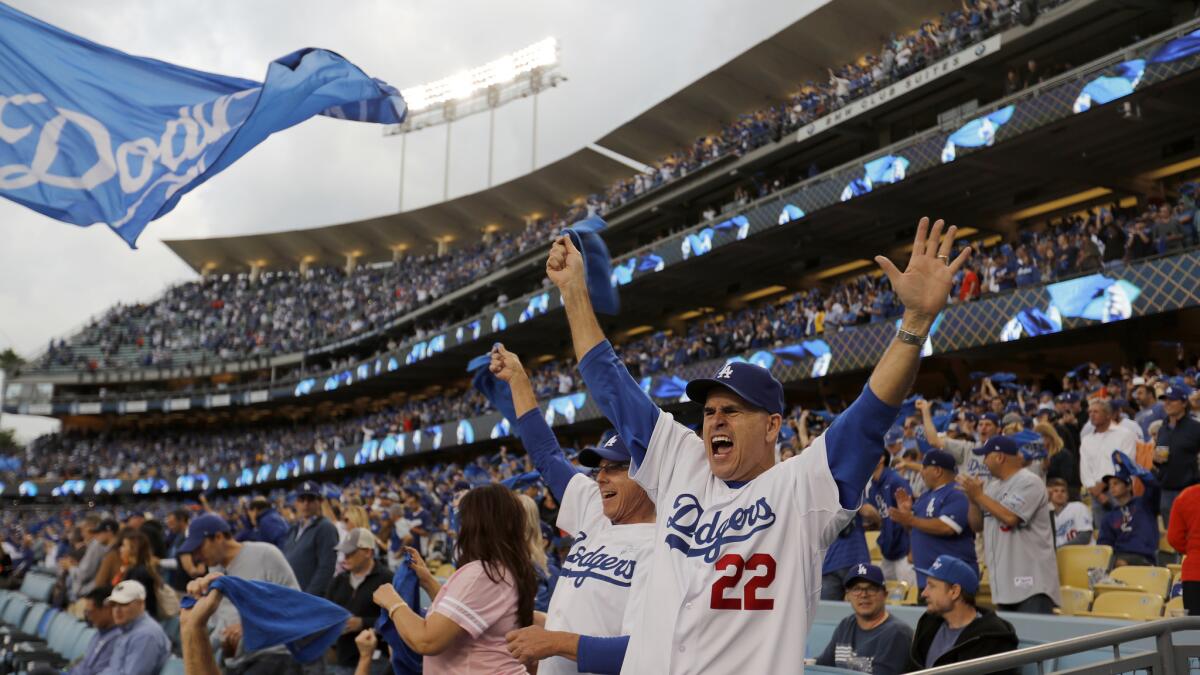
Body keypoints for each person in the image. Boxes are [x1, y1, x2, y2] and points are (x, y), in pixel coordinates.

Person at [547, 217, 970, 671]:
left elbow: (871, 415)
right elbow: (611, 383)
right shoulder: (681, 463)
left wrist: (915, 322)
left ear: (772, 426)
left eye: (733, 410)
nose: (715, 421)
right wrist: (573, 291)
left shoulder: (801, 488)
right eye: (709, 412)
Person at [488, 342, 656, 675]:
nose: (602, 478)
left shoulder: (664, 545)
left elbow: (646, 651)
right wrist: (519, 381)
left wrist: (554, 642)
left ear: (648, 474)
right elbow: (547, 457)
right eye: (599, 469)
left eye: (616, 468)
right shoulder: (595, 508)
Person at [372, 484, 535, 674]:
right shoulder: (501, 569)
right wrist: (427, 581)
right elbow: (462, 616)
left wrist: (393, 602)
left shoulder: (483, 574)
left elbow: (427, 640)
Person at [179, 512, 301, 673]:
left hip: (275, 654)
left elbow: (295, 607)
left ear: (219, 537)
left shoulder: (265, 554)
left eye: (199, 548)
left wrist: (250, 627)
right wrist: (225, 644)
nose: (197, 556)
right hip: (238, 660)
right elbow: (221, 621)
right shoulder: (214, 568)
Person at [960, 436, 1060, 613]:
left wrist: (979, 496)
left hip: (1032, 585)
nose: (983, 461)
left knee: (1035, 639)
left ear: (999, 457)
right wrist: (973, 500)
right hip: (1004, 585)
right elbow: (976, 526)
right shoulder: (992, 487)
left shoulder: (1029, 481)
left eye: (986, 456)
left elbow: (1010, 517)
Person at [909, 555, 1018, 673]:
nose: (924, 593)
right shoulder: (928, 624)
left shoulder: (992, 639)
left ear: (955, 591)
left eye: (931, 586)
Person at [890, 449, 978, 591]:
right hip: (927, 579)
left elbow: (947, 527)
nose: (921, 472)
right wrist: (906, 516)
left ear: (937, 470)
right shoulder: (925, 496)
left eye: (924, 468)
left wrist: (911, 519)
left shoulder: (956, 493)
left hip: (951, 581)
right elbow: (916, 529)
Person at [815, 563, 913, 675]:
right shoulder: (846, 625)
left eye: (871, 589)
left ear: (885, 594)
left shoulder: (896, 633)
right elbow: (822, 666)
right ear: (848, 596)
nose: (864, 595)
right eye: (856, 589)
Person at [325, 528, 392, 675]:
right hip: (341, 657)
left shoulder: (387, 580)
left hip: (376, 659)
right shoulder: (338, 581)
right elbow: (326, 612)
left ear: (368, 552)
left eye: (351, 553)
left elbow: (397, 620)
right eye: (344, 553)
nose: (345, 558)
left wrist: (363, 623)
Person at [1079, 399, 1138, 528]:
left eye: (1096, 411)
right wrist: (1097, 492)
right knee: (1103, 536)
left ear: (1108, 415)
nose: (1091, 415)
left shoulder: (1125, 434)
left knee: (1125, 531)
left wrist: (1104, 484)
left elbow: (1126, 463)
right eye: (1090, 412)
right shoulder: (1087, 440)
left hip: (1121, 491)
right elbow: (1084, 470)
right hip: (1096, 495)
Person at [1097, 452, 1161, 567]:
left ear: (1129, 486)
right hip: (1118, 560)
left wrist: (1133, 468)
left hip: (1144, 559)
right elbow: (1104, 545)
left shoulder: (1145, 504)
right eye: (1110, 485)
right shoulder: (1109, 517)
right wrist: (1113, 561)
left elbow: (1153, 485)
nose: (1112, 487)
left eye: (1116, 483)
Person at [863, 450, 916, 586]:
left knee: (909, 596)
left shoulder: (895, 480)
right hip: (888, 551)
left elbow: (912, 515)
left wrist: (913, 550)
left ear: (881, 459)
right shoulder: (873, 486)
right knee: (879, 588)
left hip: (904, 550)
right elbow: (880, 519)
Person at [102, 580, 172, 675]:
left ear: (141, 604)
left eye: (124, 604)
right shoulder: (126, 628)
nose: (117, 610)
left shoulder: (146, 635)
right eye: (114, 605)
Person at [1154, 384, 1200, 527]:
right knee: (1171, 539)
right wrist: (1156, 459)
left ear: (1184, 403)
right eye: (1165, 400)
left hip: (1189, 490)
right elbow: (1159, 458)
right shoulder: (1163, 428)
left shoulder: (1195, 428)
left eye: (1172, 400)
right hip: (1166, 490)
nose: (1167, 403)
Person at [284, 481, 339, 597]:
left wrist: (309, 597)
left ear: (320, 502)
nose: (306, 504)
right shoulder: (294, 529)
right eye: (302, 499)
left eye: (310, 499)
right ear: (296, 503)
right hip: (292, 595)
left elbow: (326, 568)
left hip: (310, 599)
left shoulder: (325, 527)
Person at [66, 585, 119, 675]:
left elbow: (94, 671)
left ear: (107, 609)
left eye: (90, 612)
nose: (89, 618)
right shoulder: (98, 633)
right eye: (86, 612)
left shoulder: (117, 639)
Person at [1166, 482, 1200, 614]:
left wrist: (1193, 550)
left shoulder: (1186, 496)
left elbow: (1174, 538)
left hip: (1194, 572)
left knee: (1195, 630)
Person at [1048, 477, 1093, 547]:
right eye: (1056, 491)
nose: (1059, 493)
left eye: (1063, 491)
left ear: (1067, 495)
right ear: (1049, 496)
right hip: (1061, 556)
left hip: (1084, 553)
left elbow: (1085, 537)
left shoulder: (1078, 507)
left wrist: (1061, 549)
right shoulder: (1049, 517)